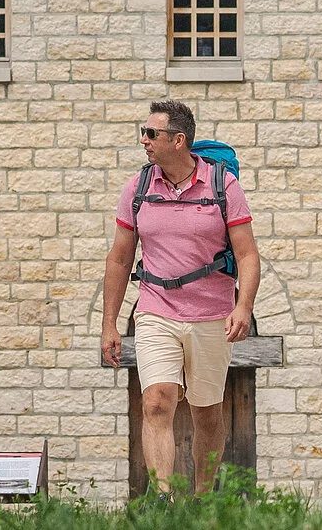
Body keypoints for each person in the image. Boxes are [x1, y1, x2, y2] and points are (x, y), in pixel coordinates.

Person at [100, 100, 261, 496]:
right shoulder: (137, 188)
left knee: (207, 413)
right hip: (155, 308)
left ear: (178, 140)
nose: (144, 141)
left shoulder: (224, 186)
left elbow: (247, 254)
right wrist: (108, 324)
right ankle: (164, 501)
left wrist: (243, 307)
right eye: (144, 132)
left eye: (151, 134)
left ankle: (203, 500)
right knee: (156, 401)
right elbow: (120, 259)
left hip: (211, 312)